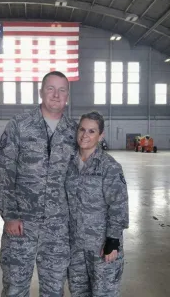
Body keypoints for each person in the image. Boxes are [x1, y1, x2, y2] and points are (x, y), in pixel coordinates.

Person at [0, 71, 78, 297]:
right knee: (15, 287)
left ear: (67, 96)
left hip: (58, 228)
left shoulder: (74, 132)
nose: (56, 95)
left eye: (62, 90)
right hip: (21, 224)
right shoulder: (20, 126)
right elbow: (4, 172)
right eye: (50, 88)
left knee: (54, 289)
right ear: (41, 92)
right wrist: (10, 215)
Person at [65, 111, 129, 296]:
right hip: (76, 247)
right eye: (82, 129)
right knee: (78, 292)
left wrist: (113, 240)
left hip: (101, 247)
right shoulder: (68, 164)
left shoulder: (109, 166)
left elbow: (118, 205)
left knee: (104, 293)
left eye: (92, 131)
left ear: (101, 136)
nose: (85, 135)